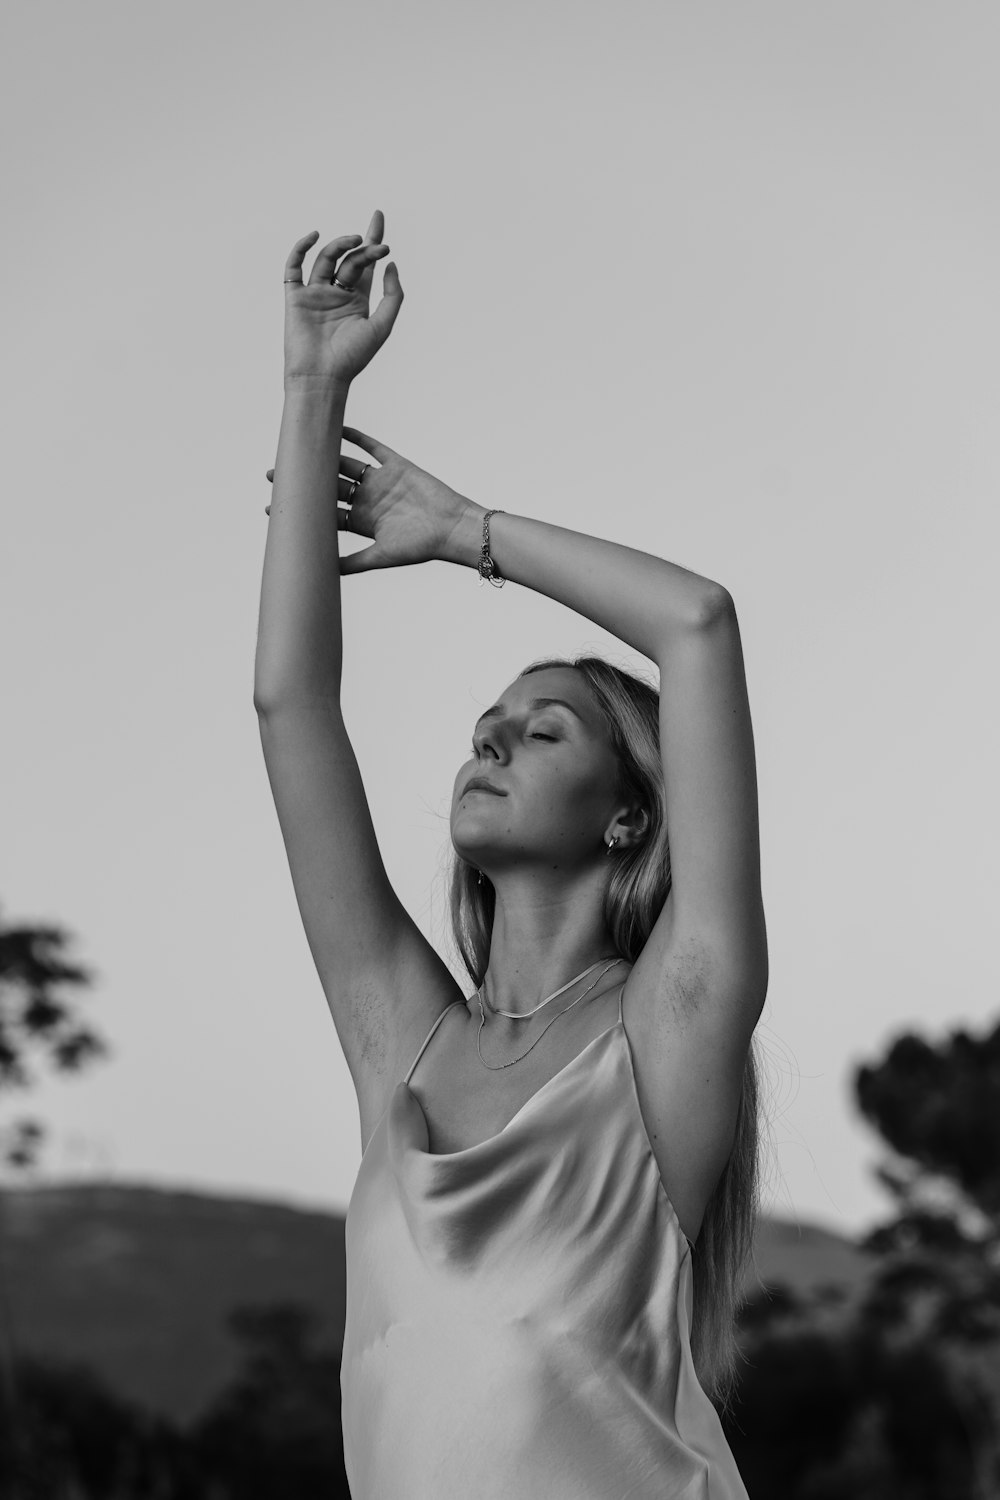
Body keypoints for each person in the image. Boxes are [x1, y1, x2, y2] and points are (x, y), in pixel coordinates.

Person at [255, 210, 768, 1500]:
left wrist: (468, 530)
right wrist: (315, 389)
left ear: (628, 817)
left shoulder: (670, 1032)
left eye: (544, 731)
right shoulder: (403, 1045)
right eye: (486, 727)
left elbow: (697, 626)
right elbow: (291, 709)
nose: (490, 739)